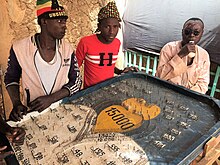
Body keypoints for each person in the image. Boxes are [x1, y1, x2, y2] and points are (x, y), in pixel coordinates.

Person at [4, 0, 82, 122]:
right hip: (33, 115)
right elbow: (11, 78)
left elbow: (77, 82)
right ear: (44, 21)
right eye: (59, 21)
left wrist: (51, 98)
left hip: (61, 113)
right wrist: (16, 103)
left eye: (65, 21)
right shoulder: (20, 48)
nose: (64, 26)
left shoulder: (67, 49)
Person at [76, 1, 138, 88]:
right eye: (107, 27)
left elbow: (108, 66)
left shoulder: (117, 43)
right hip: (90, 92)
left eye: (115, 27)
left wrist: (121, 72)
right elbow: (74, 69)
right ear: (99, 26)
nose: (111, 32)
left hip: (108, 90)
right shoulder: (85, 42)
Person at [156, 17, 210, 94]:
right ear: (182, 32)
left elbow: (203, 84)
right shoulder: (169, 48)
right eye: (187, 32)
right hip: (166, 92)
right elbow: (160, 76)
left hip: (189, 97)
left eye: (196, 33)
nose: (191, 35)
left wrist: (186, 95)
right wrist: (180, 55)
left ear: (202, 33)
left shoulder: (204, 55)